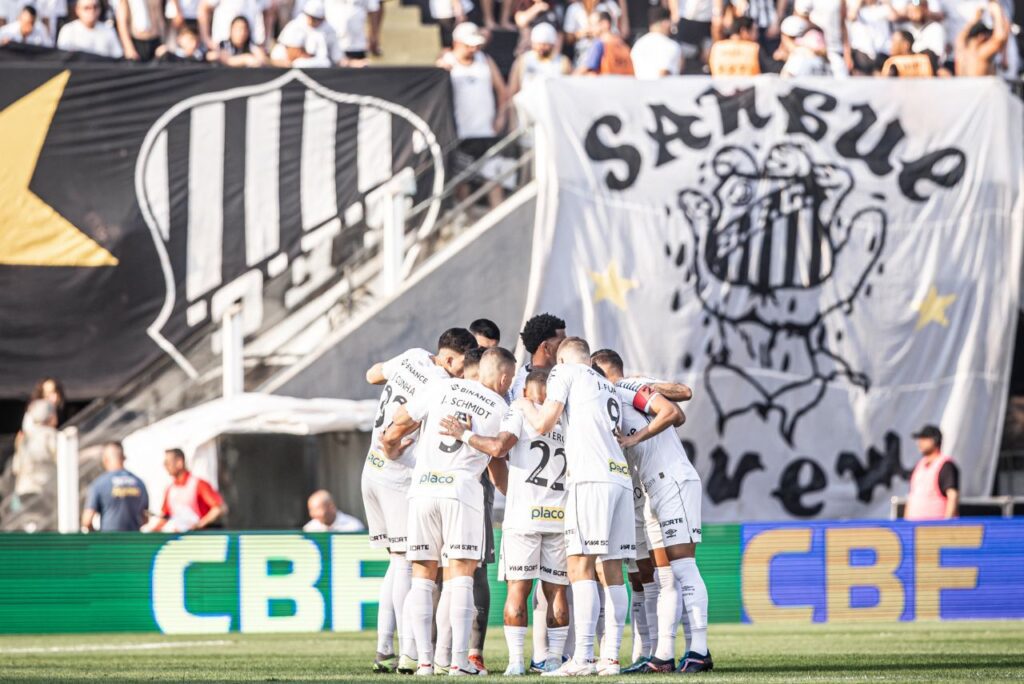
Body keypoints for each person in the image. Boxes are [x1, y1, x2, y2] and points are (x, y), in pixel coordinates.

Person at [380, 347, 516, 677]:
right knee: (460, 578)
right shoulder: (501, 405)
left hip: (423, 488)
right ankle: (458, 662)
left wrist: (390, 448)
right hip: (462, 492)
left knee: (423, 578)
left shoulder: (440, 387)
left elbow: (397, 424)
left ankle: (425, 662)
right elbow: (498, 463)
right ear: (502, 378)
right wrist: (515, 497)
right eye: (509, 379)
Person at [361, 327, 478, 674]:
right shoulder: (439, 382)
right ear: (449, 358)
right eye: (461, 366)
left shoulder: (412, 356)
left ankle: (385, 646)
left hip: (371, 467)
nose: (462, 374)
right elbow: (402, 425)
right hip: (398, 471)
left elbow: (372, 374)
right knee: (404, 564)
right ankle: (408, 653)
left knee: (395, 561)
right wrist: (394, 445)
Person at [513, 337, 633, 677]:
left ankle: (582, 657)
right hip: (619, 478)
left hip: (590, 480)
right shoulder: (606, 385)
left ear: (563, 359)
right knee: (611, 572)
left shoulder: (564, 374)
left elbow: (542, 424)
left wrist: (524, 406)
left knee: (579, 566)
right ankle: (610, 658)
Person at [440, 367, 570, 675]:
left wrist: (465, 434)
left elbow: (498, 449)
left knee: (517, 591)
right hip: (559, 515)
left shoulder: (518, 412)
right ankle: (553, 660)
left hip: (524, 516)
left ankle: (515, 664)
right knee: (557, 592)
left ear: (526, 391)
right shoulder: (566, 418)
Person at [591, 349, 712, 674]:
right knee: (665, 576)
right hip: (652, 488)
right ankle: (662, 656)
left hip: (673, 480)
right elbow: (675, 410)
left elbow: (674, 411)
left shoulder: (626, 388)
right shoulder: (621, 396)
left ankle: (700, 651)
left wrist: (636, 437)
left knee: (683, 569)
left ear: (602, 373)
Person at [438, 22, 508, 210]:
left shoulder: (485, 60)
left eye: (475, 45)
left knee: (494, 180)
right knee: (462, 183)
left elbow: (502, 91)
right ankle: (465, 221)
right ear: (457, 43)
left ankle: (499, 220)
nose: (473, 49)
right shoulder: (446, 62)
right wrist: (441, 69)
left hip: (486, 131)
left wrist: (501, 116)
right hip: (460, 133)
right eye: (468, 45)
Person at [151, 448, 226, 532]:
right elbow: (165, 517)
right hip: (179, 539)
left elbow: (219, 508)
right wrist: (151, 531)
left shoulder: (199, 484)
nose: (165, 466)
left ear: (179, 462)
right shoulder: (170, 489)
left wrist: (200, 524)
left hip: (199, 538)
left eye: (167, 463)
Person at [81, 442, 149, 532]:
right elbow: (145, 519)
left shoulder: (99, 483)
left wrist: (96, 535)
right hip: (133, 542)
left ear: (105, 460)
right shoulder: (139, 483)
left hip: (109, 542)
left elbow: (87, 521)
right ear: (123, 458)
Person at [904, 425, 960, 520]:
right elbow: (912, 497)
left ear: (934, 440)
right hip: (915, 529)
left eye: (924, 439)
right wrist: (906, 525)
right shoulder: (919, 465)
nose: (919, 443)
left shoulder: (945, 465)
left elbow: (953, 497)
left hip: (935, 530)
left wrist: (947, 524)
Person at [509, 312, 566, 401]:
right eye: (561, 343)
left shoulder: (561, 371)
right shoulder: (527, 389)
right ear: (546, 347)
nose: (566, 347)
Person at [11, 399, 57, 510]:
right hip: (44, 490)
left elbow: (16, 468)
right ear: (51, 416)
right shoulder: (51, 435)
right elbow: (62, 459)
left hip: (23, 490)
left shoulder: (25, 436)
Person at [508, 22, 571, 98]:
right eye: (538, 44)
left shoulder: (563, 62)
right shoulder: (523, 60)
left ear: (552, 44)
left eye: (545, 44)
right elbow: (513, 88)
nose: (541, 47)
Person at [954, 1, 1009, 75]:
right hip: (980, 86)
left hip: (962, 85)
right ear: (981, 37)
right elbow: (1000, 38)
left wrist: (975, 19)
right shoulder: (980, 54)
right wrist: (997, 11)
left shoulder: (960, 49)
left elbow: (961, 36)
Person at [56, 0, 123, 57]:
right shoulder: (68, 30)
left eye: (95, 7)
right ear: (77, 10)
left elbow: (117, 56)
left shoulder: (108, 30)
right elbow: (63, 57)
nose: (92, 11)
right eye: (87, 8)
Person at [631, 6, 683, 77]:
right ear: (665, 23)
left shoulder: (638, 44)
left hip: (639, 87)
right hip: (664, 87)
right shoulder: (670, 45)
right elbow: (663, 74)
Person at [198, 0, 270, 50]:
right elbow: (203, 9)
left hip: (251, 45)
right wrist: (206, 39)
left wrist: (266, 40)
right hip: (223, 45)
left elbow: (269, 12)